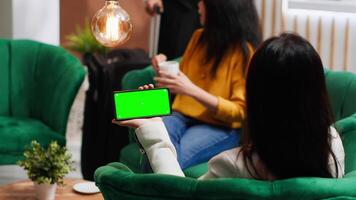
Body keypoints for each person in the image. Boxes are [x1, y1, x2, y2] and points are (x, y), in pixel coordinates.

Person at [113, 33, 345, 180]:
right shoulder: (333, 146)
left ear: (256, 97)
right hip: (184, 114)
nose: (198, 7)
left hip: (218, 124)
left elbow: (178, 193)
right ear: (318, 94)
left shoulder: (233, 165)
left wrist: (153, 130)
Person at [149, 0, 261, 170]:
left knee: (167, 159)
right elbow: (180, 81)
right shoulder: (198, 37)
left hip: (220, 126)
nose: (198, 6)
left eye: (204, 2)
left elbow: (239, 112)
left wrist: (192, 90)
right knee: (154, 148)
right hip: (180, 115)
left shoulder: (243, 52)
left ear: (219, 10)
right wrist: (163, 70)